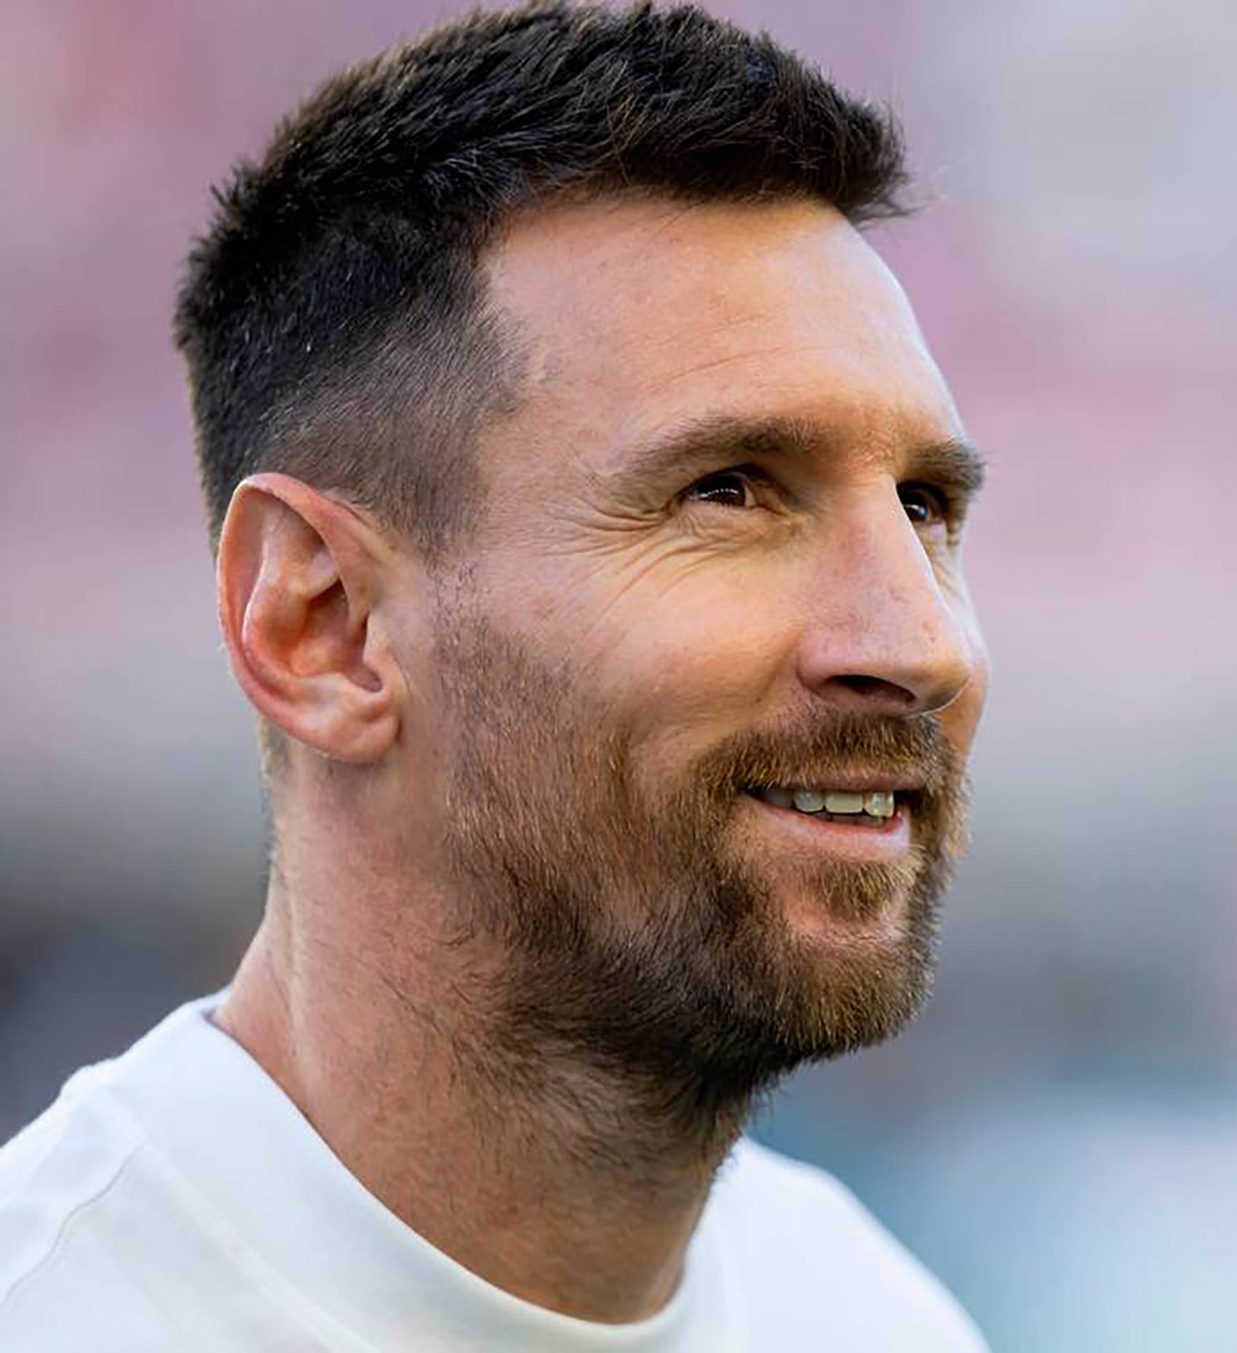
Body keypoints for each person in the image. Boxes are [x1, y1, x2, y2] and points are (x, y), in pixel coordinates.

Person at [0, 4, 992, 1349]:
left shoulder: (871, 1314)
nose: (922, 644)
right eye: (729, 489)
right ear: (322, 626)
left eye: (926, 506)